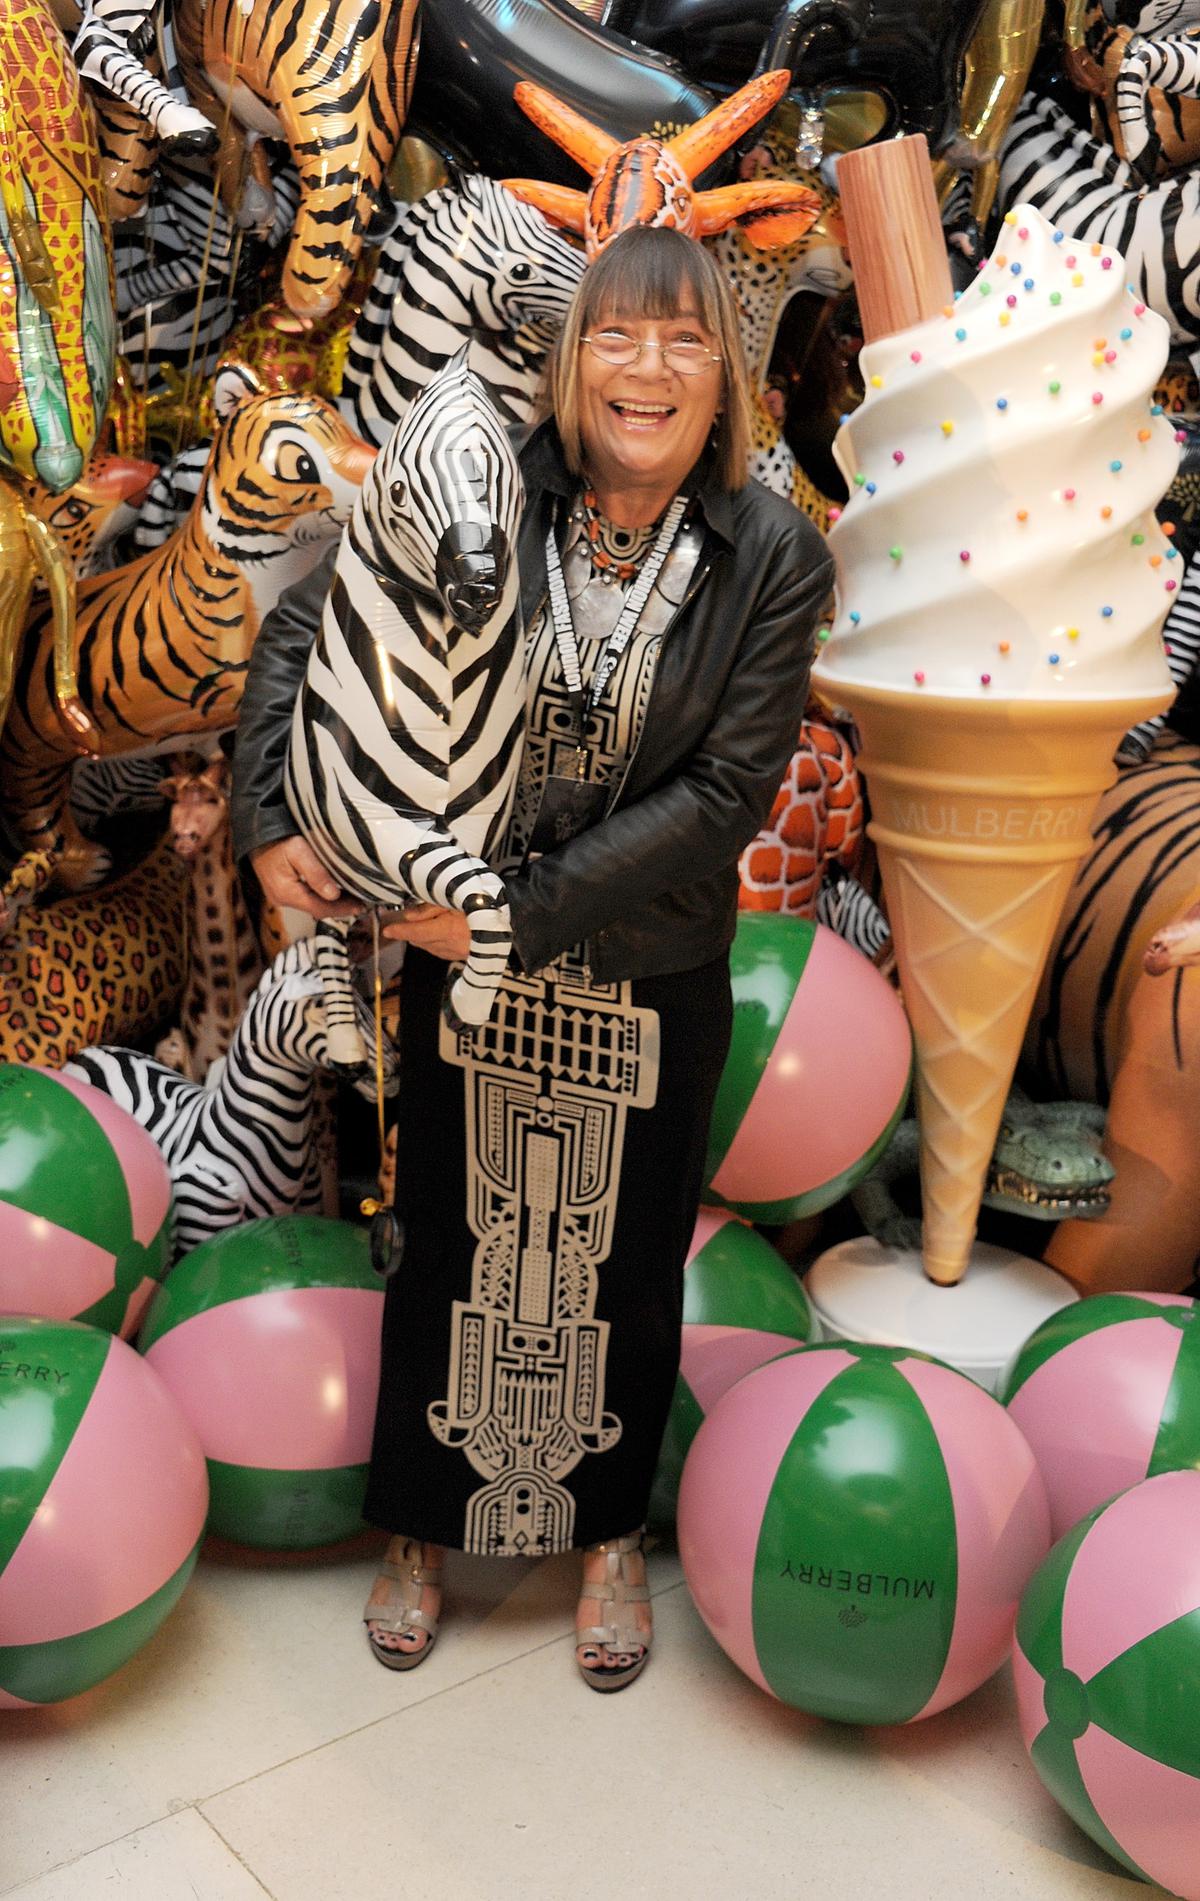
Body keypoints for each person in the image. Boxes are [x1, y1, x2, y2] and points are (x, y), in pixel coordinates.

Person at [230, 223, 834, 1692]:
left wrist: (513, 912)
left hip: (640, 955)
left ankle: (609, 1535)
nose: (647, 366)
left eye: (685, 338)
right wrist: (265, 815)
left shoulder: (774, 552)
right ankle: (422, 1532)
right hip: (456, 942)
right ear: (569, 364)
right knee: (447, 1237)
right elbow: (305, 613)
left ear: (725, 377)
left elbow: (719, 799)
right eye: (615, 335)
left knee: (621, 1255)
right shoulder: (486, 473)